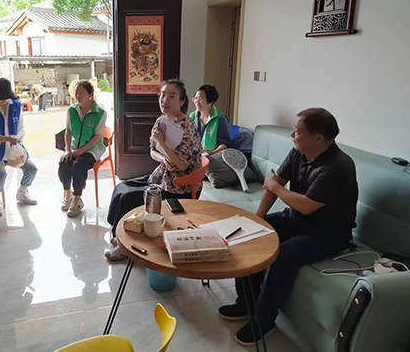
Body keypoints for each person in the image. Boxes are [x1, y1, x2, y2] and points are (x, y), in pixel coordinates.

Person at [218, 108, 358, 346]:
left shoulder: (338, 167)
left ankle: (264, 321)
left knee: (282, 256)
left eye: (298, 132)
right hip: (295, 218)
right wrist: (258, 220)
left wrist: (276, 187)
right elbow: (276, 183)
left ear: (318, 137)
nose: (293, 135)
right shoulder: (299, 152)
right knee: (248, 236)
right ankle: (246, 303)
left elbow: (305, 205)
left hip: (328, 234)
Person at [105, 80, 203, 261]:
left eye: (171, 96)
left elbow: (181, 165)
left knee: (129, 198)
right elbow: (153, 151)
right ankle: (119, 236)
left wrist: (162, 143)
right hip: (161, 176)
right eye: (162, 95)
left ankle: (125, 248)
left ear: (182, 101)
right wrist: (163, 157)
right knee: (122, 188)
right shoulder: (162, 120)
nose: (164, 100)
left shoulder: (187, 127)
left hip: (179, 186)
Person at [0, 78, 38, 217]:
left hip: (13, 147)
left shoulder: (16, 106)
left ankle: (22, 192)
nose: (4, 101)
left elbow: (21, 128)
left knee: (32, 169)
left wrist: (17, 141)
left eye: (6, 98)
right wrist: (7, 139)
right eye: (1, 99)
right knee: (0, 174)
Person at [59, 80, 107, 217]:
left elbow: (98, 136)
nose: (78, 96)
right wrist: (68, 149)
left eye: (82, 93)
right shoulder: (71, 110)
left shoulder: (100, 113)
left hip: (93, 149)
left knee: (79, 165)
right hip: (75, 147)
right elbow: (68, 131)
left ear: (90, 94)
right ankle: (68, 194)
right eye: (76, 93)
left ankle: (77, 199)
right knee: (64, 162)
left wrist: (81, 151)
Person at [190, 84, 231, 156]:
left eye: (200, 98)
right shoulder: (192, 116)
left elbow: (225, 144)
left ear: (211, 101)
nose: (197, 101)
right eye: (195, 98)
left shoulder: (220, 118)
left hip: (214, 157)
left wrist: (213, 152)